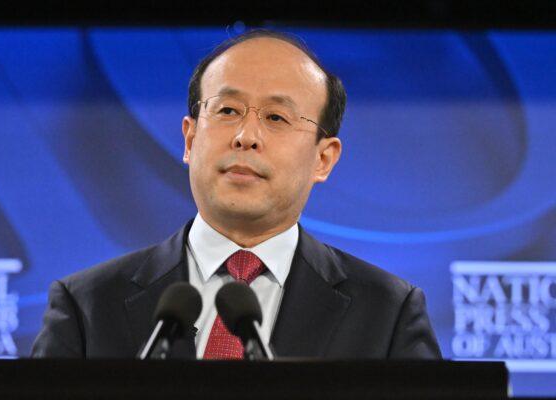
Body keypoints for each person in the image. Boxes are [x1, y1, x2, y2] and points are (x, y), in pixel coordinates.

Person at [31, 29, 441, 359]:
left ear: (324, 158)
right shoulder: (87, 306)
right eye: (227, 111)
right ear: (190, 138)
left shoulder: (388, 313)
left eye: (277, 117)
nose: (246, 137)